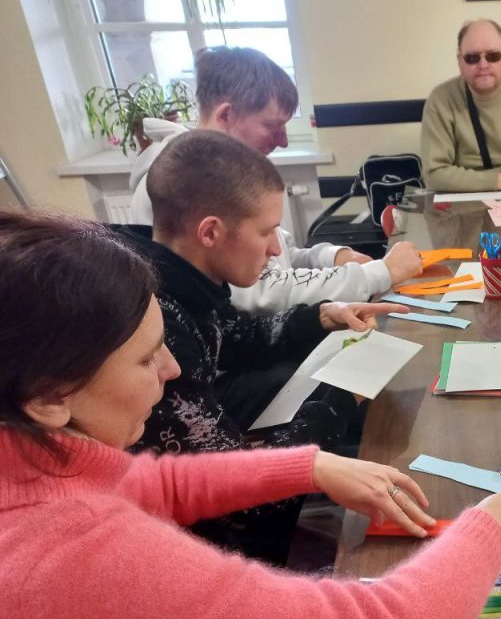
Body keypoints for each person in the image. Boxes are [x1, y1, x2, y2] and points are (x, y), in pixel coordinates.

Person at [0, 208, 501, 619]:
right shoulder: (74, 564)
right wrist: (492, 525)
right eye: (146, 358)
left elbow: (155, 481)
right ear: (48, 397)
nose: (172, 369)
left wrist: (310, 467)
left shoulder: (32, 464)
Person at [122, 130, 408, 562]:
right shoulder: (158, 324)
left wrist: (321, 317)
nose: (276, 248)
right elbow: (243, 504)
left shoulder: (183, 278)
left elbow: (230, 338)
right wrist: (341, 399)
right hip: (204, 552)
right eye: (266, 231)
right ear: (210, 232)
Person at [128, 46, 423, 314]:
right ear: (226, 115)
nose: (283, 141)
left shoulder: (229, 171)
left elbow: (278, 257)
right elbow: (258, 293)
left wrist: (332, 256)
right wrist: (377, 274)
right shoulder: (183, 179)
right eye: (272, 125)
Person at [421, 19, 501, 192]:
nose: (483, 65)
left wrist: (461, 179)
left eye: (493, 56)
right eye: (472, 58)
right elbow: (434, 175)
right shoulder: (440, 100)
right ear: (460, 61)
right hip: (462, 203)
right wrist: (500, 180)